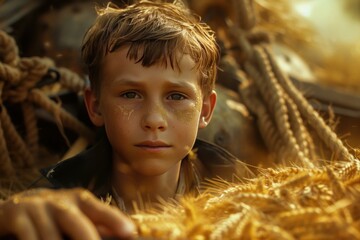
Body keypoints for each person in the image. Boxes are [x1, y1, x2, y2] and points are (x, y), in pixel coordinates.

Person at [0, 0, 245, 239]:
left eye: (177, 96)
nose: (154, 120)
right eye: (130, 94)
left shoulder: (245, 192)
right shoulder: (54, 200)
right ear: (95, 106)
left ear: (205, 111)